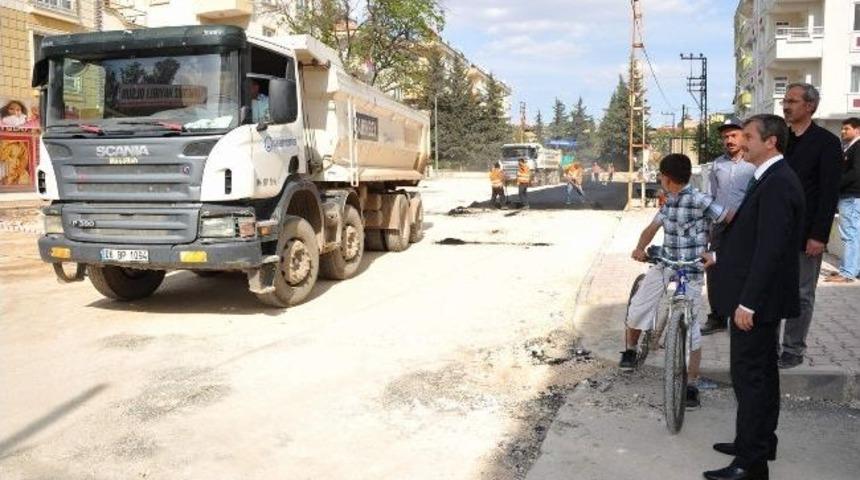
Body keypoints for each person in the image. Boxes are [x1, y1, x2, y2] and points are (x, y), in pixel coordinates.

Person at [702, 114, 805, 480]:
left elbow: (771, 250)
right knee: (760, 374)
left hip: (756, 302)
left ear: (770, 141)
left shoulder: (777, 182)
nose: (740, 142)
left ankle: (751, 462)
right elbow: (751, 240)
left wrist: (748, 303)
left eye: (747, 136)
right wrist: (718, 256)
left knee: (750, 376)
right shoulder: (769, 177)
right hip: (754, 294)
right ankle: (758, 440)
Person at [619, 153, 728, 409]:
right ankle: (632, 349)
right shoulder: (668, 200)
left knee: (691, 332)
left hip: (691, 269)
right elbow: (652, 227)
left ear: (667, 178)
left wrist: (715, 253)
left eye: (660, 176)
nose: (660, 179)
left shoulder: (701, 200)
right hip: (665, 262)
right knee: (639, 306)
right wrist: (639, 248)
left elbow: (730, 221)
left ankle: (691, 384)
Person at [779, 83, 842, 369]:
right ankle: (769, 344)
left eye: (792, 101)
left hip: (807, 234)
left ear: (810, 106)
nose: (786, 105)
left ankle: (793, 348)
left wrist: (819, 235)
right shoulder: (779, 140)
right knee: (771, 288)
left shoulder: (826, 143)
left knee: (801, 293)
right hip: (776, 229)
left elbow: (829, 193)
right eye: (785, 100)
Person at [701, 116, 756, 336]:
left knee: (745, 268)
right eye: (725, 137)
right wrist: (706, 230)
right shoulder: (717, 165)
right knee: (714, 269)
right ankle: (717, 316)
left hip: (746, 226)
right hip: (721, 226)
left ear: (744, 136)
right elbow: (710, 197)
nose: (729, 140)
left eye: (733, 135)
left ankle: (743, 314)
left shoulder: (754, 163)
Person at [824, 117, 860, 283]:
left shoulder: (857, 147)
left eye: (847, 128)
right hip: (851, 197)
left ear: (857, 130)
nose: (843, 131)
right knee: (855, 234)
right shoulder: (849, 147)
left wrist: (835, 185)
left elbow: (855, 173)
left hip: (851, 197)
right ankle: (854, 269)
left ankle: (847, 272)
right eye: (842, 129)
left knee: (850, 235)